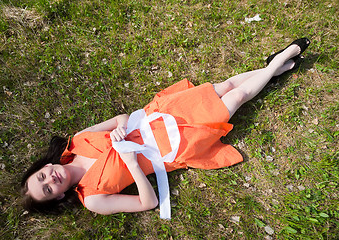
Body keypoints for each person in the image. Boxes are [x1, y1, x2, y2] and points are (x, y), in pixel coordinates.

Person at [21, 38, 310, 217]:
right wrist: (133, 165)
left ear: (45, 165)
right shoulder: (93, 199)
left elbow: (122, 118)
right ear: (58, 197)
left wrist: (121, 128)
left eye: (42, 175)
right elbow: (147, 203)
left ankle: (276, 68)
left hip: (158, 117)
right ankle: (279, 61)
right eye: (47, 189)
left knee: (226, 86)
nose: (51, 179)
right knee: (237, 97)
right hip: (173, 144)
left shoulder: (79, 141)